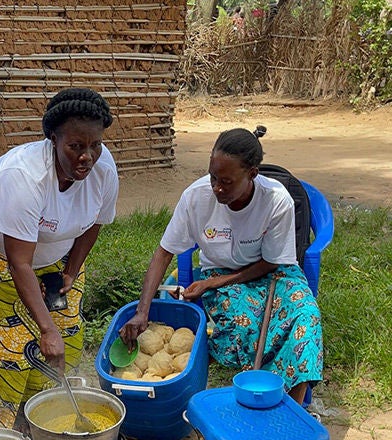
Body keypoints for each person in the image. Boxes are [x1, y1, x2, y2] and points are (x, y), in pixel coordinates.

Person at [119, 127, 322, 404]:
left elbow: (273, 261)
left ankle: (294, 409)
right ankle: (257, 398)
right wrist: (142, 312)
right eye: (213, 177)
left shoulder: (276, 200)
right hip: (221, 272)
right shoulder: (196, 197)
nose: (217, 188)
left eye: (226, 181)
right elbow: (163, 253)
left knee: (305, 317)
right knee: (246, 326)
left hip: (274, 271)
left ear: (252, 174)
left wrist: (212, 283)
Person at [0, 88, 119, 430]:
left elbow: (95, 222)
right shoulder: (25, 177)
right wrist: (45, 329)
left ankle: (44, 413)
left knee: (69, 331)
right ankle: (5, 427)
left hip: (59, 249)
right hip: (1, 251)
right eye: (76, 146)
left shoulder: (104, 169)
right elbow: (19, 263)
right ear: (53, 138)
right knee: (9, 344)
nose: (88, 156)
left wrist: (71, 270)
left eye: (95, 145)